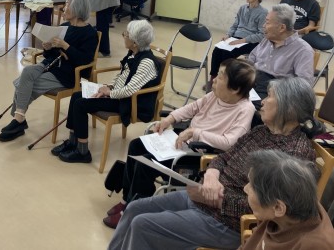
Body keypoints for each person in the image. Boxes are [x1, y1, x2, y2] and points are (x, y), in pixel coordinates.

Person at [108, 77, 324, 250]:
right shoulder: (261, 131)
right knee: (134, 208)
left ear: (289, 109)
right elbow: (224, 157)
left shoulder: (293, 156)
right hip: (204, 198)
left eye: (270, 97)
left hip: (228, 222)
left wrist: (217, 198)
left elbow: (270, 209)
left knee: (143, 225)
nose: (263, 101)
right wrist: (211, 176)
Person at [103, 58, 256, 229]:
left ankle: (133, 210)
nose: (213, 79)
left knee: (145, 164)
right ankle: (127, 199)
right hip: (183, 143)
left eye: (220, 76)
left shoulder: (245, 109)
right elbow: (191, 108)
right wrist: (169, 119)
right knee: (135, 145)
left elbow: (230, 142)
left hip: (199, 155)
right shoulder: (215, 95)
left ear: (235, 89)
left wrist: (195, 132)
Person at [51, 20, 160, 164]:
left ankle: (82, 151)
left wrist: (108, 93)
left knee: (81, 104)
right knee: (77, 95)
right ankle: (73, 141)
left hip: (129, 103)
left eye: (126, 34)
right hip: (118, 95)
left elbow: (130, 90)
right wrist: (108, 87)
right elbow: (122, 76)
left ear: (135, 43)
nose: (123, 36)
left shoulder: (146, 62)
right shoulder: (134, 53)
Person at [0, 0, 98, 142]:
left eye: (67, 4)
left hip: (66, 74)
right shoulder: (64, 27)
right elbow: (50, 55)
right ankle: (19, 120)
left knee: (23, 84)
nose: (64, 8)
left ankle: (18, 120)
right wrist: (48, 48)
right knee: (27, 72)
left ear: (77, 8)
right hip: (50, 65)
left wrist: (66, 46)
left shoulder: (89, 33)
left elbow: (85, 60)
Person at [240, 150, 334, 250]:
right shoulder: (281, 211)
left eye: (252, 186)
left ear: (278, 207)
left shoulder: (315, 245)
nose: (245, 189)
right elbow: (254, 242)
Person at [205, 0, 267, 92]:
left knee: (227, 54)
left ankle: (225, 82)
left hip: (250, 41)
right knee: (217, 50)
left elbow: (261, 35)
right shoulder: (242, 8)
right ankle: (214, 79)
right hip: (235, 38)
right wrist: (228, 35)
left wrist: (242, 41)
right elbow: (235, 25)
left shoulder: (263, 12)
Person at [248, 3, 314, 102]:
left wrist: (276, 89)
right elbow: (251, 59)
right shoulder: (267, 39)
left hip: (276, 93)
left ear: (282, 28)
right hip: (253, 82)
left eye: (267, 22)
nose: (263, 26)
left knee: (245, 108)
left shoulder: (303, 50)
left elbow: (304, 85)